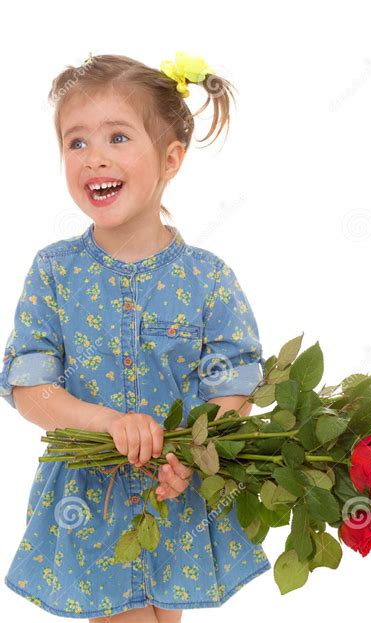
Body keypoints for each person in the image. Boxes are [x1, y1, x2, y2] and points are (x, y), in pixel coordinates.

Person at [0, 51, 271, 622]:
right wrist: (109, 424)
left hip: (173, 494)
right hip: (87, 502)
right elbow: (29, 386)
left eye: (118, 137)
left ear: (170, 159)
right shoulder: (54, 271)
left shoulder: (207, 277)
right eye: (76, 143)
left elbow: (236, 378)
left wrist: (194, 452)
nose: (94, 157)